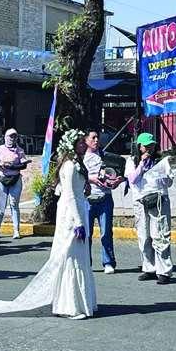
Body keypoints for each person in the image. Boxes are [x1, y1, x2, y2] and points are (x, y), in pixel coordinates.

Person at [48, 128, 97, 319]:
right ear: (72, 145)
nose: (84, 145)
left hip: (79, 209)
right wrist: (78, 222)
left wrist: (86, 188)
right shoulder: (69, 166)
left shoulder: (77, 164)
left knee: (80, 257)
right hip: (70, 215)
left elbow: (76, 190)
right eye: (81, 143)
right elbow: (68, 195)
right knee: (71, 257)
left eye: (84, 142)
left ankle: (82, 303)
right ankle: (70, 305)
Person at [125, 132, 174, 285]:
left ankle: (164, 271)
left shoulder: (161, 161)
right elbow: (132, 179)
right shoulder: (132, 161)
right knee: (144, 235)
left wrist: (163, 178)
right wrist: (141, 164)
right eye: (146, 146)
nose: (149, 149)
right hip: (140, 202)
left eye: (151, 146)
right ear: (139, 147)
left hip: (158, 200)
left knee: (160, 235)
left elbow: (169, 182)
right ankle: (149, 268)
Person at [83, 129, 125, 274]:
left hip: (105, 198)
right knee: (86, 234)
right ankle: (86, 262)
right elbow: (77, 176)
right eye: (93, 138)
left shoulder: (105, 156)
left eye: (97, 138)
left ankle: (108, 262)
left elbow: (114, 175)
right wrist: (91, 179)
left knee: (106, 232)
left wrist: (117, 181)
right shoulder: (81, 158)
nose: (96, 140)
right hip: (88, 200)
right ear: (86, 140)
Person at [0, 129, 31, 240]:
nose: (12, 139)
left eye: (14, 137)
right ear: (5, 137)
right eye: (10, 136)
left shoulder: (19, 150)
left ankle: (16, 231)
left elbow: (24, 165)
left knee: (14, 205)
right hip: (2, 179)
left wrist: (12, 166)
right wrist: (1, 165)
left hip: (15, 179)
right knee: (0, 206)